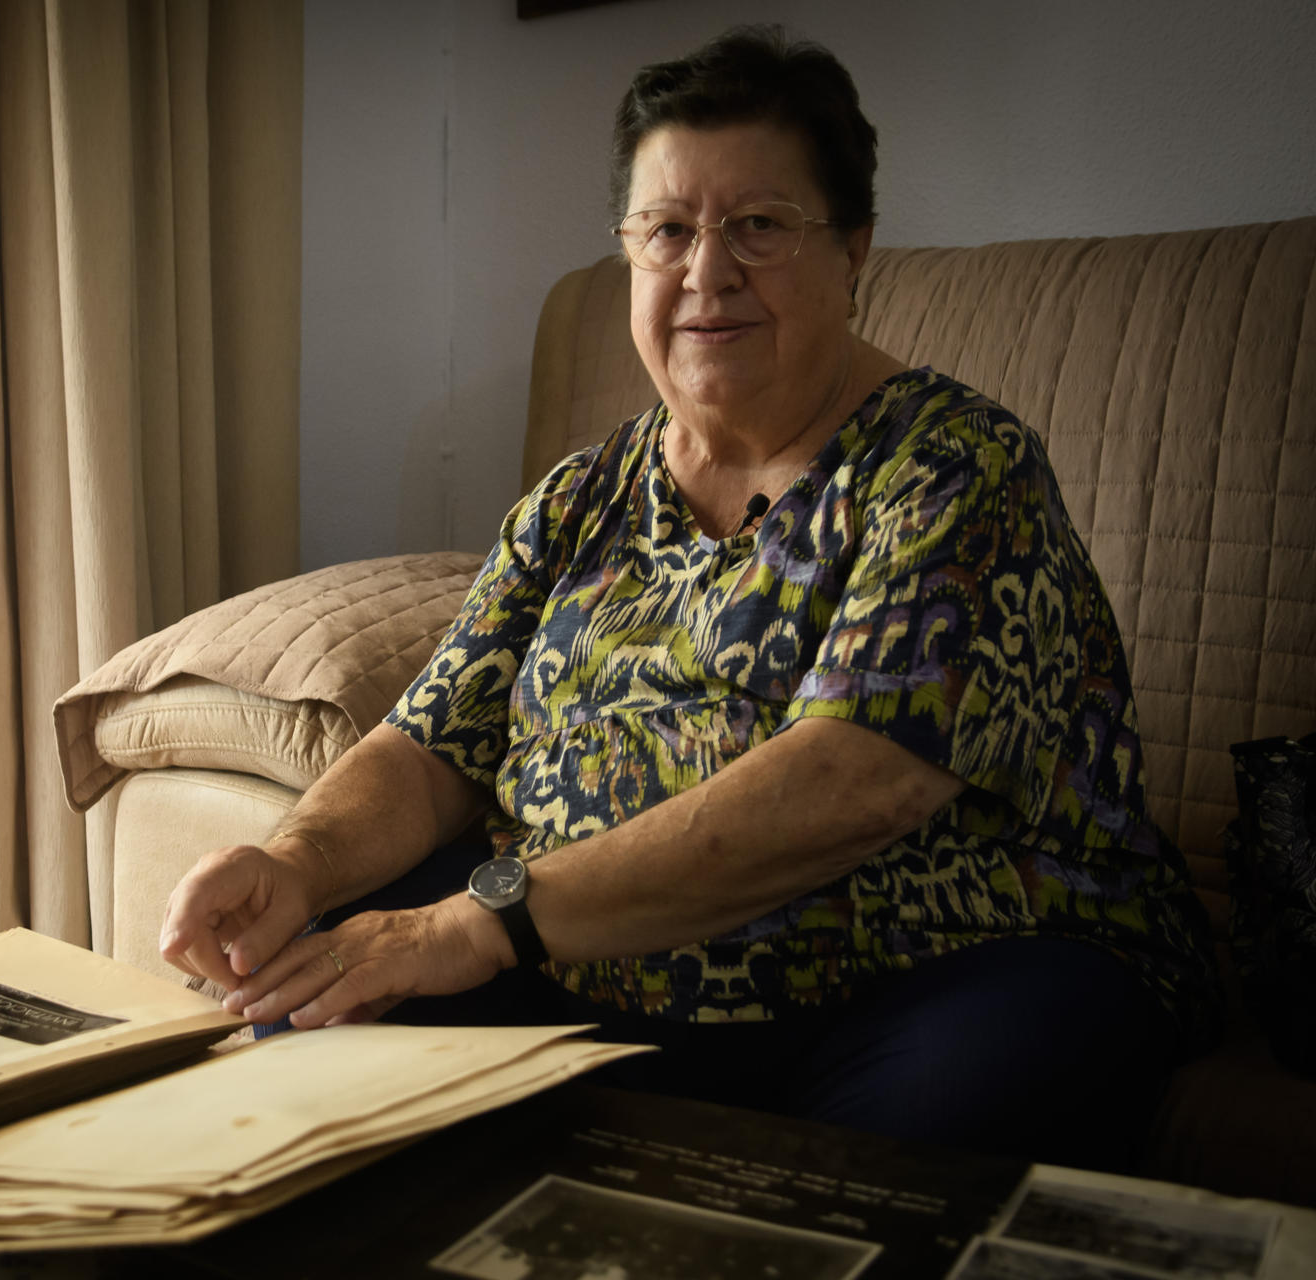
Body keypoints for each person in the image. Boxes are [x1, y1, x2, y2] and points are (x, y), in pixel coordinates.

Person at [159, 25, 1218, 1171]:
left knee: (919, 1143)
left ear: (854, 248)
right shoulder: (581, 496)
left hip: (935, 968)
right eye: (668, 230)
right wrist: (295, 859)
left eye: (760, 227)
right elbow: (430, 741)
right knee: (301, 1015)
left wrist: (482, 919)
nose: (707, 272)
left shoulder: (956, 468)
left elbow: (851, 785)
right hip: (591, 966)